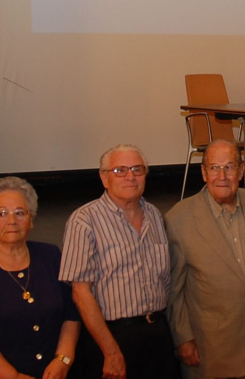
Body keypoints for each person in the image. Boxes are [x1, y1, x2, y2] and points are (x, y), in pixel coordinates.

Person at [166, 140, 245, 379]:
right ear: (203, 172)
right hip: (211, 352)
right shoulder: (178, 220)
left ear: (241, 170)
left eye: (229, 167)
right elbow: (174, 291)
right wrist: (183, 338)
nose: (222, 176)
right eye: (214, 168)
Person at [58, 145, 177, 379]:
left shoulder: (154, 215)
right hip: (111, 338)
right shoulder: (83, 221)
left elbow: (166, 281)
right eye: (120, 171)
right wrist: (111, 352)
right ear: (104, 178)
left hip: (157, 335)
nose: (130, 176)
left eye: (137, 169)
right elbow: (81, 295)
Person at [0, 177, 81, 379]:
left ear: (32, 219)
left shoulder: (51, 256)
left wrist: (63, 360)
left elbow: (71, 315)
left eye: (20, 213)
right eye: (2, 213)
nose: (11, 221)